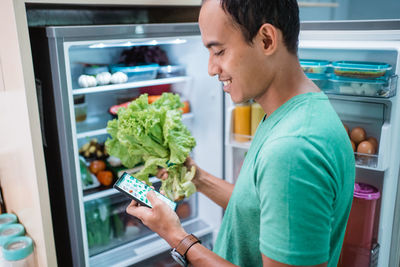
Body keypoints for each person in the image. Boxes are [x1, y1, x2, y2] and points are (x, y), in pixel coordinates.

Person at [126, 0, 355, 266]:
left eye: (219, 51)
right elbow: (259, 208)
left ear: (267, 40)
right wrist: (198, 178)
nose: (211, 68)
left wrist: (176, 236)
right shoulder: (296, 112)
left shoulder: (292, 150)